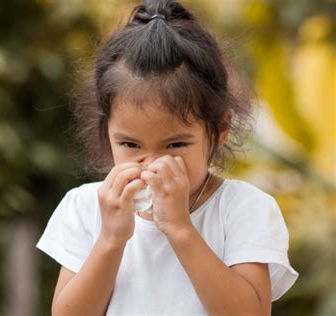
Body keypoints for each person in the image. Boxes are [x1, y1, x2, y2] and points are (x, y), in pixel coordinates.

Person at [36, 0, 298, 315]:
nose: (152, 164)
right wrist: (110, 239)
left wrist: (179, 228)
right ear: (107, 131)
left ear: (220, 128)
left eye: (175, 145)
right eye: (130, 145)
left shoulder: (243, 209)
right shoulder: (86, 209)